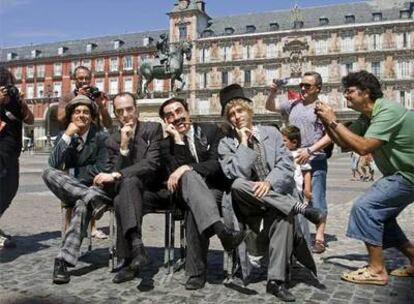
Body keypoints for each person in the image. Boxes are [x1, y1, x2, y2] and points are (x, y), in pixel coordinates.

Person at [218, 84, 324, 302]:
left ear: (248, 109)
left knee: (284, 218)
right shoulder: (226, 144)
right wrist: (244, 142)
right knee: (238, 184)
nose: (236, 117)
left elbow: (286, 165)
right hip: (248, 207)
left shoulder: (272, 133)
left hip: (274, 199)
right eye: (231, 114)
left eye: (239, 110)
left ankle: (275, 281)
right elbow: (234, 172)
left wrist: (268, 182)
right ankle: (299, 208)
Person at [315, 70, 414, 285]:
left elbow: (363, 147)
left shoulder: (388, 111)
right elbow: (344, 143)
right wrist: (325, 121)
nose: (345, 96)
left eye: (350, 91)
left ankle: (377, 270)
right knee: (384, 218)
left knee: (365, 208)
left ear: (366, 93)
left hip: (409, 175)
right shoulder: (366, 116)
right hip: (401, 174)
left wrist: (333, 122)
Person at [158, 97, 246, 290]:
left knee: (193, 205)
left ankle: (196, 273)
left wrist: (186, 167)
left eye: (179, 111)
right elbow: (176, 176)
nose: (176, 118)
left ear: (187, 111)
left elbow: (216, 164)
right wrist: (179, 142)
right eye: (169, 116)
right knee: (189, 182)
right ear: (166, 122)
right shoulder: (166, 145)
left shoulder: (210, 131)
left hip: (214, 190)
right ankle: (222, 232)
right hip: (185, 195)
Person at [93, 92, 163, 283]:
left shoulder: (152, 129)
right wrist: (123, 147)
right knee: (124, 190)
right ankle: (137, 250)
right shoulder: (112, 140)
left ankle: (129, 259)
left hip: (152, 190)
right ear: (115, 115)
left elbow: (152, 164)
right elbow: (110, 178)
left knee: (122, 193)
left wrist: (119, 174)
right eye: (120, 111)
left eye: (129, 109)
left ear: (136, 109)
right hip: (128, 191)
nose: (125, 114)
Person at [42, 95, 112, 284]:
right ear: (71, 115)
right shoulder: (65, 137)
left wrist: (72, 173)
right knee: (47, 172)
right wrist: (66, 136)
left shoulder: (101, 137)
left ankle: (62, 261)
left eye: (86, 112)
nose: (81, 116)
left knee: (82, 204)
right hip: (75, 190)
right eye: (77, 112)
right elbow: (53, 164)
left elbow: (102, 168)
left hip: (96, 189)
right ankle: (90, 198)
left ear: (92, 116)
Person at [265, 72, 331, 254]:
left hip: (315, 159)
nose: (303, 88)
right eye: (301, 85)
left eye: (307, 86)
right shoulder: (293, 104)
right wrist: (273, 91)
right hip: (292, 160)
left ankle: (319, 237)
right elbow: (270, 106)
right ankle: (295, 233)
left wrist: (310, 150)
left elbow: (331, 134)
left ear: (318, 88)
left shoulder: (322, 108)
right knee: (293, 197)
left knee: (316, 197)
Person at [57, 65, 113, 239]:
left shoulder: (96, 95)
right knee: (69, 187)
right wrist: (79, 98)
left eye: (86, 78)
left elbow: (109, 124)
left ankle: (92, 227)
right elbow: (60, 118)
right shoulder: (67, 96)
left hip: (93, 145)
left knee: (92, 184)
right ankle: (67, 227)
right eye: (80, 78)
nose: (83, 81)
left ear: (90, 78)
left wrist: (101, 106)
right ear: (75, 79)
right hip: (73, 145)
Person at [0, 66, 34, 249]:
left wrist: (21, 102)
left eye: (8, 84)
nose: (7, 87)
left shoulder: (13, 99)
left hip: (13, 151)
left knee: (10, 189)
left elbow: (29, 120)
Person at [281, 125, 312, 247]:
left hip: (296, 192)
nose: (281, 143)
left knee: (300, 221)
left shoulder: (299, 154)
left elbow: (307, 172)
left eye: (284, 141)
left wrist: (307, 189)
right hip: (283, 192)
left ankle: (303, 246)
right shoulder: (280, 153)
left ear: (294, 142)